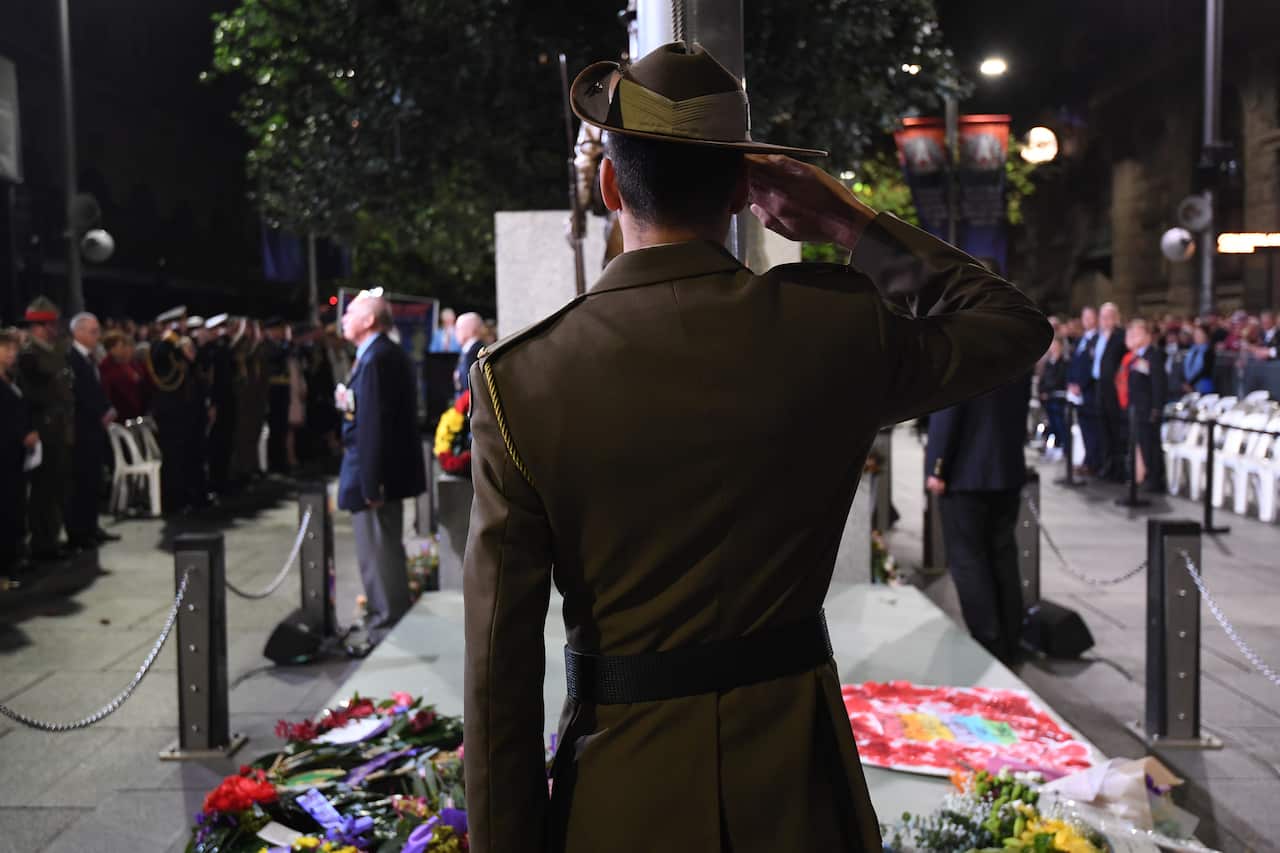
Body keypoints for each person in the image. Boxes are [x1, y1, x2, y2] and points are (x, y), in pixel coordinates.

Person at [460, 42, 1052, 853]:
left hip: (623, 797)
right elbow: (1011, 325)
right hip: (800, 792)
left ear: (608, 185)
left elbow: (499, 674)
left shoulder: (519, 380)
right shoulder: (832, 329)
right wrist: (849, 220)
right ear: (744, 190)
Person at [337, 290, 427, 656]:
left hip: (371, 474)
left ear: (370, 320)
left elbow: (374, 426)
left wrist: (372, 483)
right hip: (372, 471)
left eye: (351, 313)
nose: (343, 318)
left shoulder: (376, 358)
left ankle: (386, 630)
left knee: (379, 555)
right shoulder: (378, 355)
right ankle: (385, 621)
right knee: (379, 552)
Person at [925, 374, 1032, 663]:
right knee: (1002, 556)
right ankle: (1011, 638)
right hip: (1006, 469)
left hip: (964, 472)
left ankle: (989, 642)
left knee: (968, 560)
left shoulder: (969, 355)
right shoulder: (1016, 352)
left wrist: (937, 466)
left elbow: (948, 411)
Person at [18, 297, 76, 561]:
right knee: (44, 488)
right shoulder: (31, 353)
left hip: (58, 425)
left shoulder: (48, 349)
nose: (56, 330)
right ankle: (43, 543)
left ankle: (50, 539)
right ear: (41, 327)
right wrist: (62, 347)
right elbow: (42, 381)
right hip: (43, 426)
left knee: (57, 484)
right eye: (52, 325)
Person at [65, 312, 117, 549]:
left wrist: (107, 408)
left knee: (94, 479)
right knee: (81, 482)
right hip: (82, 429)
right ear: (79, 332)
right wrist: (101, 411)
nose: (98, 336)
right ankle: (79, 533)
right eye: (93, 331)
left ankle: (92, 527)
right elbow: (80, 395)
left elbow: (96, 389)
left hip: (94, 428)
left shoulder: (88, 357)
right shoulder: (71, 358)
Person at [0, 328, 38, 579]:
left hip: (16, 454)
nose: (13, 354)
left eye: (14, 349)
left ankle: (14, 555)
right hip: (4, 453)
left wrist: (30, 430)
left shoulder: (11, 379)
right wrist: (20, 435)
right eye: (7, 348)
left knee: (15, 504)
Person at [1118, 318, 1166, 491]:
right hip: (1135, 408)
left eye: (1137, 333)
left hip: (1147, 408)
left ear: (1147, 335)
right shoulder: (1135, 357)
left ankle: (1155, 480)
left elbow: (1158, 384)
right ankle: (1141, 475)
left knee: (1150, 445)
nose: (1132, 336)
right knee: (1138, 444)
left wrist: (1156, 408)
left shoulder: (1153, 355)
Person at [1094, 302, 1128, 482]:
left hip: (1114, 389)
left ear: (1116, 318)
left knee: (1115, 429)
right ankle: (1106, 464)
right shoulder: (1098, 337)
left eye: (1109, 317)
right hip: (1099, 386)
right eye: (1102, 317)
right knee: (1103, 427)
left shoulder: (1120, 337)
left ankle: (1118, 468)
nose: (1105, 321)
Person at [1067, 305, 1100, 475]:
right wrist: (1071, 382)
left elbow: (1093, 367)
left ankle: (1093, 462)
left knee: (1093, 429)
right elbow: (1074, 363)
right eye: (1084, 317)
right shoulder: (1081, 340)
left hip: (1090, 392)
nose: (1087, 320)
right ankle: (1087, 459)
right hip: (1077, 393)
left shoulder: (1098, 339)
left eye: (1090, 317)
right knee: (1084, 428)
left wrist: (1081, 385)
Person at [263, 317, 292, 473]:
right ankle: (274, 463)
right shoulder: (267, 346)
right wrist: (287, 342)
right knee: (274, 427)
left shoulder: (280, 345)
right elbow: (278, 355)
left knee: (281, 426)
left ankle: (280, 461)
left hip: (282, 388)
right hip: (272, 389)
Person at [99, 330, 150, 420]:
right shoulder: (105, 367)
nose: (124, 349)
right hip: (121, 416)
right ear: (112, 349)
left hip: (138, 413)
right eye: (121, 346)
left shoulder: (128, 363)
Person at [1038, 337, 1070, 461]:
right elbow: (1043, 380)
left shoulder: (1064, 363)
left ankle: (1064, 448)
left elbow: (1059, 380)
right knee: (1051, 425)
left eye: (1056, 345)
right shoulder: (1047, 363)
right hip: (1047, 401)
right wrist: (1042, 391)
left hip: (1058, 400)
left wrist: (1049, 391)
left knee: (1060, 424)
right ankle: (1053, 448)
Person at [453, 312, 485, 396]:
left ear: (470, 329)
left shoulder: (474, 352)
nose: (455, 332)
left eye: (458, 328)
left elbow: (471, 387)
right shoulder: (468, 350)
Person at [1182, 323, 1216, 393]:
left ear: (1206, 335)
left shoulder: (1208, 351)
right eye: (1195, 334)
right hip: (1189, 386)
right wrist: (1186, 383)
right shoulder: (1191, 350)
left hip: (1203, 386)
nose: (1197, 336)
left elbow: (1205, 370)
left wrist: (1191, 383)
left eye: (1200, 334)